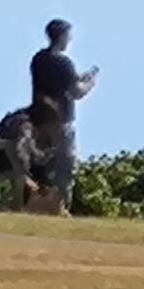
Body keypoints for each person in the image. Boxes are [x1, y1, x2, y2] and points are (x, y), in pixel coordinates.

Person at [23, 19, 98, 213]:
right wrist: (91, 83)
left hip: (38, 122)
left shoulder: (39, 59)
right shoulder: (63, 62)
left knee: (41, 168)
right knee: (65, 168)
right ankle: (60, 208)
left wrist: (78, 76)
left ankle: (38, 205)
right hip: (60, 123)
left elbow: (60, 81)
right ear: (63, 36)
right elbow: (76, 92)